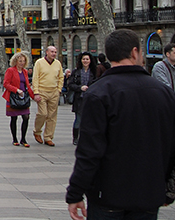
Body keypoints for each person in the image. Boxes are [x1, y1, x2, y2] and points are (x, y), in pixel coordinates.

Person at [66, 29, 175, 220]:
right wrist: (167, 187)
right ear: (135, 53)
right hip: (149, 194)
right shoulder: (164, 94)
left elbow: (89, 150)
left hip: (107, 196)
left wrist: (75, 192)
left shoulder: (98, 93)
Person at [32, 46, 64, 147]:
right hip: (42, 90)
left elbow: (61, 77)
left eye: (55, 52)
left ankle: (48, 137)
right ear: (46, 52)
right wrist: (36, 92)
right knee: (42, 113)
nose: (54, 54)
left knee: (52, 116)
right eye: (52, 52)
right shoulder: (39, 62)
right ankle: (37, 131)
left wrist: (59, 89)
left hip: (54, 91)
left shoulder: (58, 63)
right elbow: (35, 77)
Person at [2, 51, 35, 147]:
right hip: (13, 97)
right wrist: (16, 90)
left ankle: (23, 139)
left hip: (23, 97)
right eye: (20, 61)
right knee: (14, 118)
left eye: (24, 61)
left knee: (26, 117)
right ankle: (15, 139)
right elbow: (6, 84)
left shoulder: (25, 71)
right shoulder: (10, 70)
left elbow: (27, 85)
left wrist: (33, 96)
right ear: (15, 61)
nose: (22, 63)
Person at [67, 52, 97, 145]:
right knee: (78, 119)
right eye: (84, 59)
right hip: (79, 99)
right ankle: (76, 138)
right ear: (81, 60)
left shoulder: (94, 72)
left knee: (90, 120)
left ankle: (87, 137)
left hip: (90, 99)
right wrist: (80, 88)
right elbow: (70, 84)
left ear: (90, 60)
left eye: (87, 59)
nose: (85, 61)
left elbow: (98, 83)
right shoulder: (76, 72)